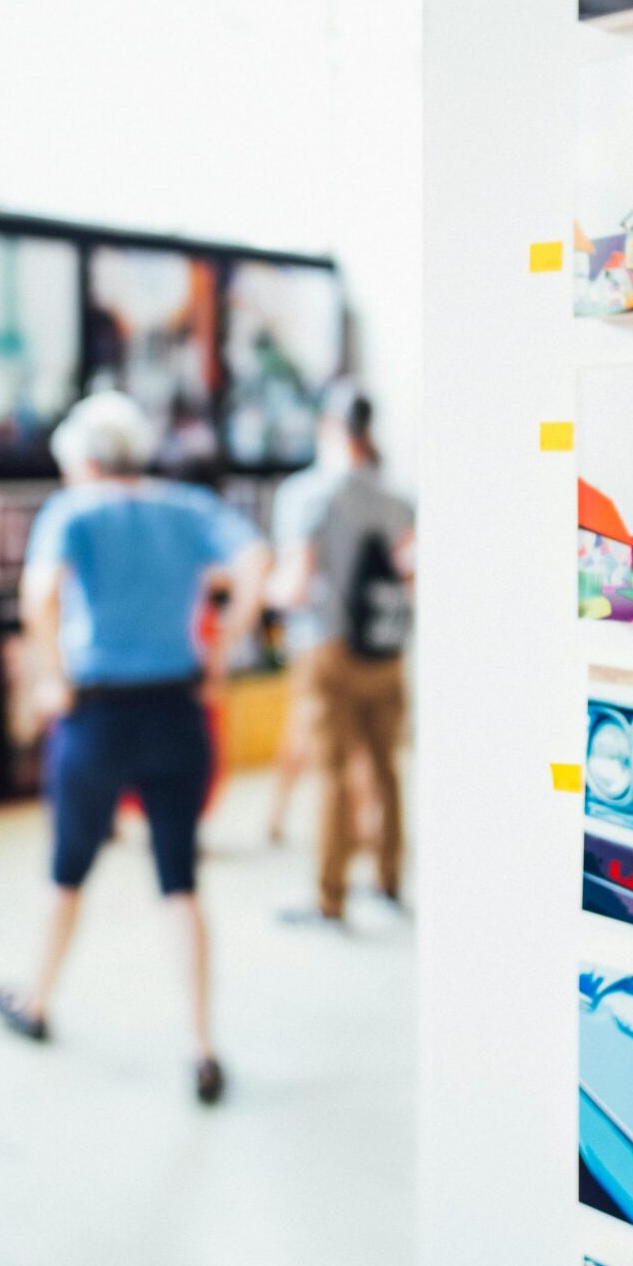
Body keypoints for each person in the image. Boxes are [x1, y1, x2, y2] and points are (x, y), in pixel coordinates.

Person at [0, 391, 269, 1105]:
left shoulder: (74, 511)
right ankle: (203, 1046)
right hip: (178, 710)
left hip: (98, 715)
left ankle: (38, 1000)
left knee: (68, 868)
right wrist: (223, 648)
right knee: (179, 880)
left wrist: (54, 674)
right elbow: (258, 561)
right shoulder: (186, 506)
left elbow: (38, 594)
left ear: (82, 459)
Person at [268, 383, 415, 927]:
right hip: (386, 650)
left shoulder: (306, 495)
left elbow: (297, 581)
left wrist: (268, 592)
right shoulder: (398, 498)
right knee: (385, 768)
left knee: (331, 773)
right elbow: (410, 574)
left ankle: (330, 897)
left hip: (325, 649)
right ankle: (389, 881)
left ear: (328, 428)